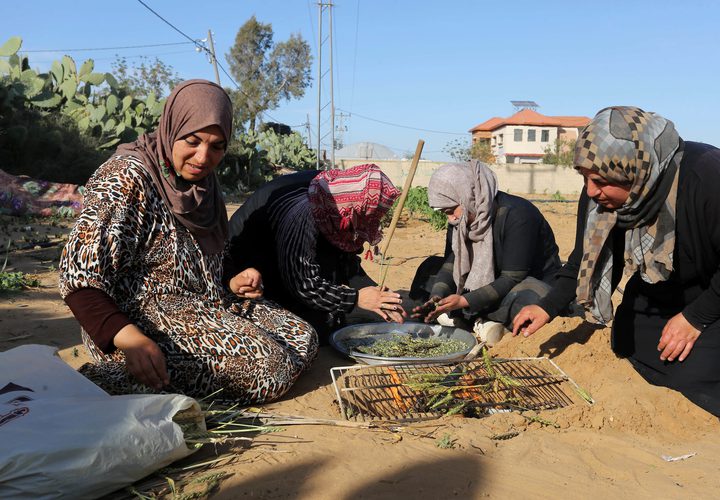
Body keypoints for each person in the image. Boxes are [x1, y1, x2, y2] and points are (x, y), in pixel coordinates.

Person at [59, 79, 317, 403]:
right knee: (270, 368)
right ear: (172, 127)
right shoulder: (127, 177)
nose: (203, 156)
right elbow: (78, 278)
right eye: (192, 141)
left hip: (202, 304)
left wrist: (231, 281)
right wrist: (129, 338)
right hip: (137, 322)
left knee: (303, 338)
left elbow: (200, 260)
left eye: (217, 146)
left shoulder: (204, 187)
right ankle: (112, 377)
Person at [512, 105, 720, 416]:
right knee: (625, 339)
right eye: (584, 177)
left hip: (711, 298)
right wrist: (547, 305)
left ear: (636, 173)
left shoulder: (706, 178)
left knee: (693, 374)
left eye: (600, 182)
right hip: (663, 291)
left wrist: (695, 319)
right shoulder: (601, 184)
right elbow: (583, 260)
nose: (591, 191)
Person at [226, 164, 406, 340]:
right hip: (254, 258)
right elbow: (302, 284)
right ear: (351, 211)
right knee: (314, 330)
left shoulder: (339, 195)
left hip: (289, 249)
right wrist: (356, 298)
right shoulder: (302, 215)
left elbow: (345, 258)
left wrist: (377, 294)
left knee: (331, 308)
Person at [410, 160, 562, 345]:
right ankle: (480, 322)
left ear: (469, 197)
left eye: (451, 211)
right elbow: (452, 261)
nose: (451, 219)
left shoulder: (518, 215)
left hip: (521, 283)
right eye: (445, 213)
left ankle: (468, 319)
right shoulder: (460, 218)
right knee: (430, 269)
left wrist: (463, 301)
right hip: (482, 284)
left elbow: (512, 278)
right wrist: (437, 297)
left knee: (531, 297)